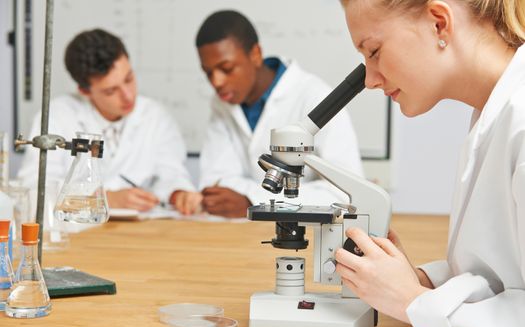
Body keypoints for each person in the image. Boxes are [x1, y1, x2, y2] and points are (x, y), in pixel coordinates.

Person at [335, 0, 525, 327]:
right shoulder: (494, 113)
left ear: (439, 23)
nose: (371, 80)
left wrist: (412, 300)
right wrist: (422, 281)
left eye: (374, 51)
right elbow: (504, 275)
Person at [176, 10, 364, 218]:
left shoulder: (317, 98)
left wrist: (254, 200)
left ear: (255, 54)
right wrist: (247, 199)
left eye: (226, 68)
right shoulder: (223, 103)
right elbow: (216, 181)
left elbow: (346, 193)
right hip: (243, 233)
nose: (216, 82)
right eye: (208, 72)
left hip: (307, 232)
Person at [17, 29, 195, 212]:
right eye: (111, 91)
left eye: (129, 79)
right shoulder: (56, 117)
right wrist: (103, 198)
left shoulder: (155, 116)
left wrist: (179, 194)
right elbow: (35, 190)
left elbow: (172, 173)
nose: (128, 95)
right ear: (85, 91)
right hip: (78, 232)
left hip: (142, 231)